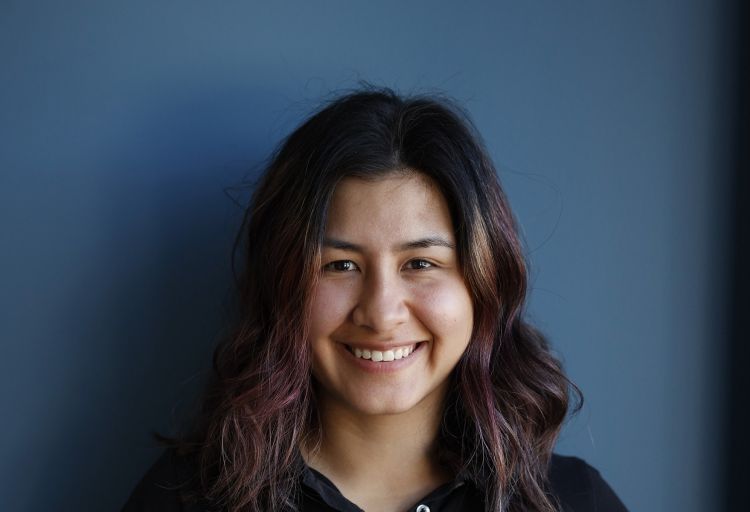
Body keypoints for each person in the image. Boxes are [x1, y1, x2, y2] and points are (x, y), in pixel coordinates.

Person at [122, 87, 628, 512]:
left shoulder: (571, 500)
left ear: (484, 282)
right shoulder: (186, 498)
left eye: (420, 264)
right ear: (283, 284)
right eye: (340, 266)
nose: (382, 313)